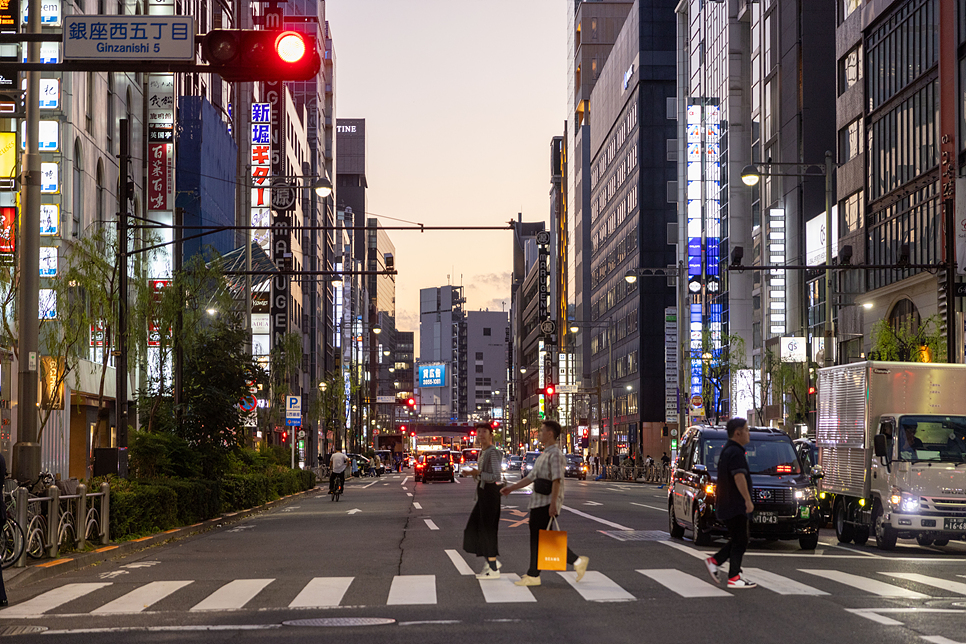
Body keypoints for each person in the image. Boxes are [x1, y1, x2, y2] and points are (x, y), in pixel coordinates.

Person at [501, 420, 589, 587]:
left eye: (542, 431)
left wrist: (554, 504)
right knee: (543, 539)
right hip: (538, 501)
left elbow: (556, 480)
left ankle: (534, 574)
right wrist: (511, 488)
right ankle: (576, 562)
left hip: (546, 502)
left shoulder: (555, 455)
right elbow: (530, 477)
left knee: (539, 539)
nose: (539, 434)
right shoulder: (545, 454)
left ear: (550, 434)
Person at [704, 418, 756, 589]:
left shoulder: (730, 450)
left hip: (728, 503)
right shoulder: (735, 452)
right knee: (741, 539)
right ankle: (733, 576)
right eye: (747, 430)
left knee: (739, 539)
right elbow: (739, 476)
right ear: (737, 433)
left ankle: (718, 563)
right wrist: (747, 500)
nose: (749, 433)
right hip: (734, 504)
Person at [462, 423, 504, 579]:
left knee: (487, 530)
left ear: (491, 434)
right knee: (474, 530)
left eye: (484, 431)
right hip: (483, 494)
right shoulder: (483, 451)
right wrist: (474, 474)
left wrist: (477, 472)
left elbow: (495, 476)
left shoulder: (492, 452)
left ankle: (493, 567)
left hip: (490, 494)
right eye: (479, 432)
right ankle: (491, 562)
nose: (481, 434)